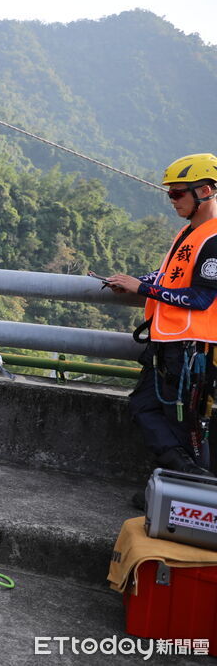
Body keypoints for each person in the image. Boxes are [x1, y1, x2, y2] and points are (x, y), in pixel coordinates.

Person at [106, 154, 217, 486]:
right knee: (146, 408)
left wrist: (142, 288)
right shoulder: (189, 232)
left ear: (206, 191)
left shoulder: (214, 240)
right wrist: (135, 282)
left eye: (178, 193)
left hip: (192, 350)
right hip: (169, 344)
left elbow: (201, 298)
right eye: (170, 193)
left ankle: (191, 490)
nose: (172, 200)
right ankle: (178, 485)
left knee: (185, 425)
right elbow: (169, 275)